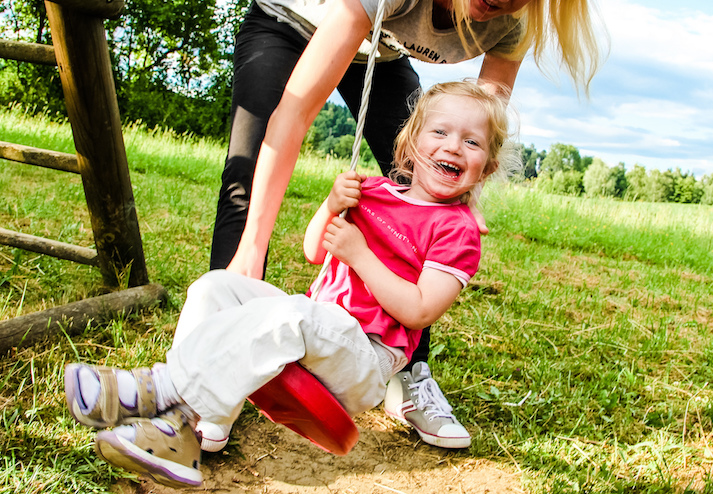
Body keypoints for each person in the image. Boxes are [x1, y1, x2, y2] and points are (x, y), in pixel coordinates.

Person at [63, 82, 519, 488]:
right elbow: (314, 252)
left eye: (471, 141)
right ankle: (190, 430)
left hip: (364, 357)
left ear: (488, 167)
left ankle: (161, 394)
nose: (454, 146)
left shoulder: (458, 230)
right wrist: (329, 205)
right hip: (314, 326)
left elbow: (420, 310)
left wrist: (359, 254)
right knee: (217, 287)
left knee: (294, 315)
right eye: (440, 132)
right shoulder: (373, 191)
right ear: (411, 143)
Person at [209, 0, 604, 449]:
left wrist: (462, 202)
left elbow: (482, 126)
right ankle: (222, 371)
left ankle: (407, 372)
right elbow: (293, 115)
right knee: (249, 165)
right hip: (290, 21)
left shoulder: (511, 24)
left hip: (379, 51)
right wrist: (252, 247)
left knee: (419, 180)